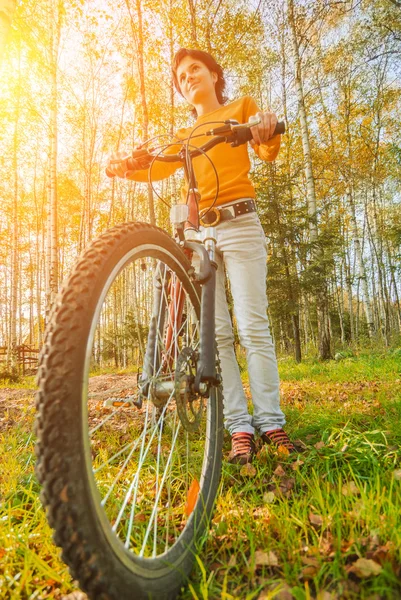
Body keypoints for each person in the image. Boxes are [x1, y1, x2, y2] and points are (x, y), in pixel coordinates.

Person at [106, 47, 296, 464]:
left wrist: (265, 128)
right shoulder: (184, 136)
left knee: (253, 325)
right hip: (202, 233)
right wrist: (125, 166)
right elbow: (158, 166)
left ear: (213, 74)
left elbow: (267, 150)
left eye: (195, 70)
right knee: (219, 334)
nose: (188, 77)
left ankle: (270, 421)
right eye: (181, 76)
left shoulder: (240, 107)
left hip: (241, 224)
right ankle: (239, 426)